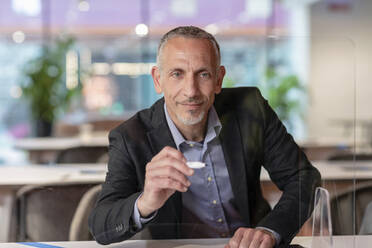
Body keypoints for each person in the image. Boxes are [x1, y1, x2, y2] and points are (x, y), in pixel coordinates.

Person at [89, 26, 321, 248]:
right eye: (177, 74)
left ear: (219, 79)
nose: (191, 91)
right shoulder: (130, 137)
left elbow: (303, 177)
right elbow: (101, 226)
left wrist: (269, 231)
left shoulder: (251, 108)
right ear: (158, 79)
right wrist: (146, 202)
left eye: (203, 74)